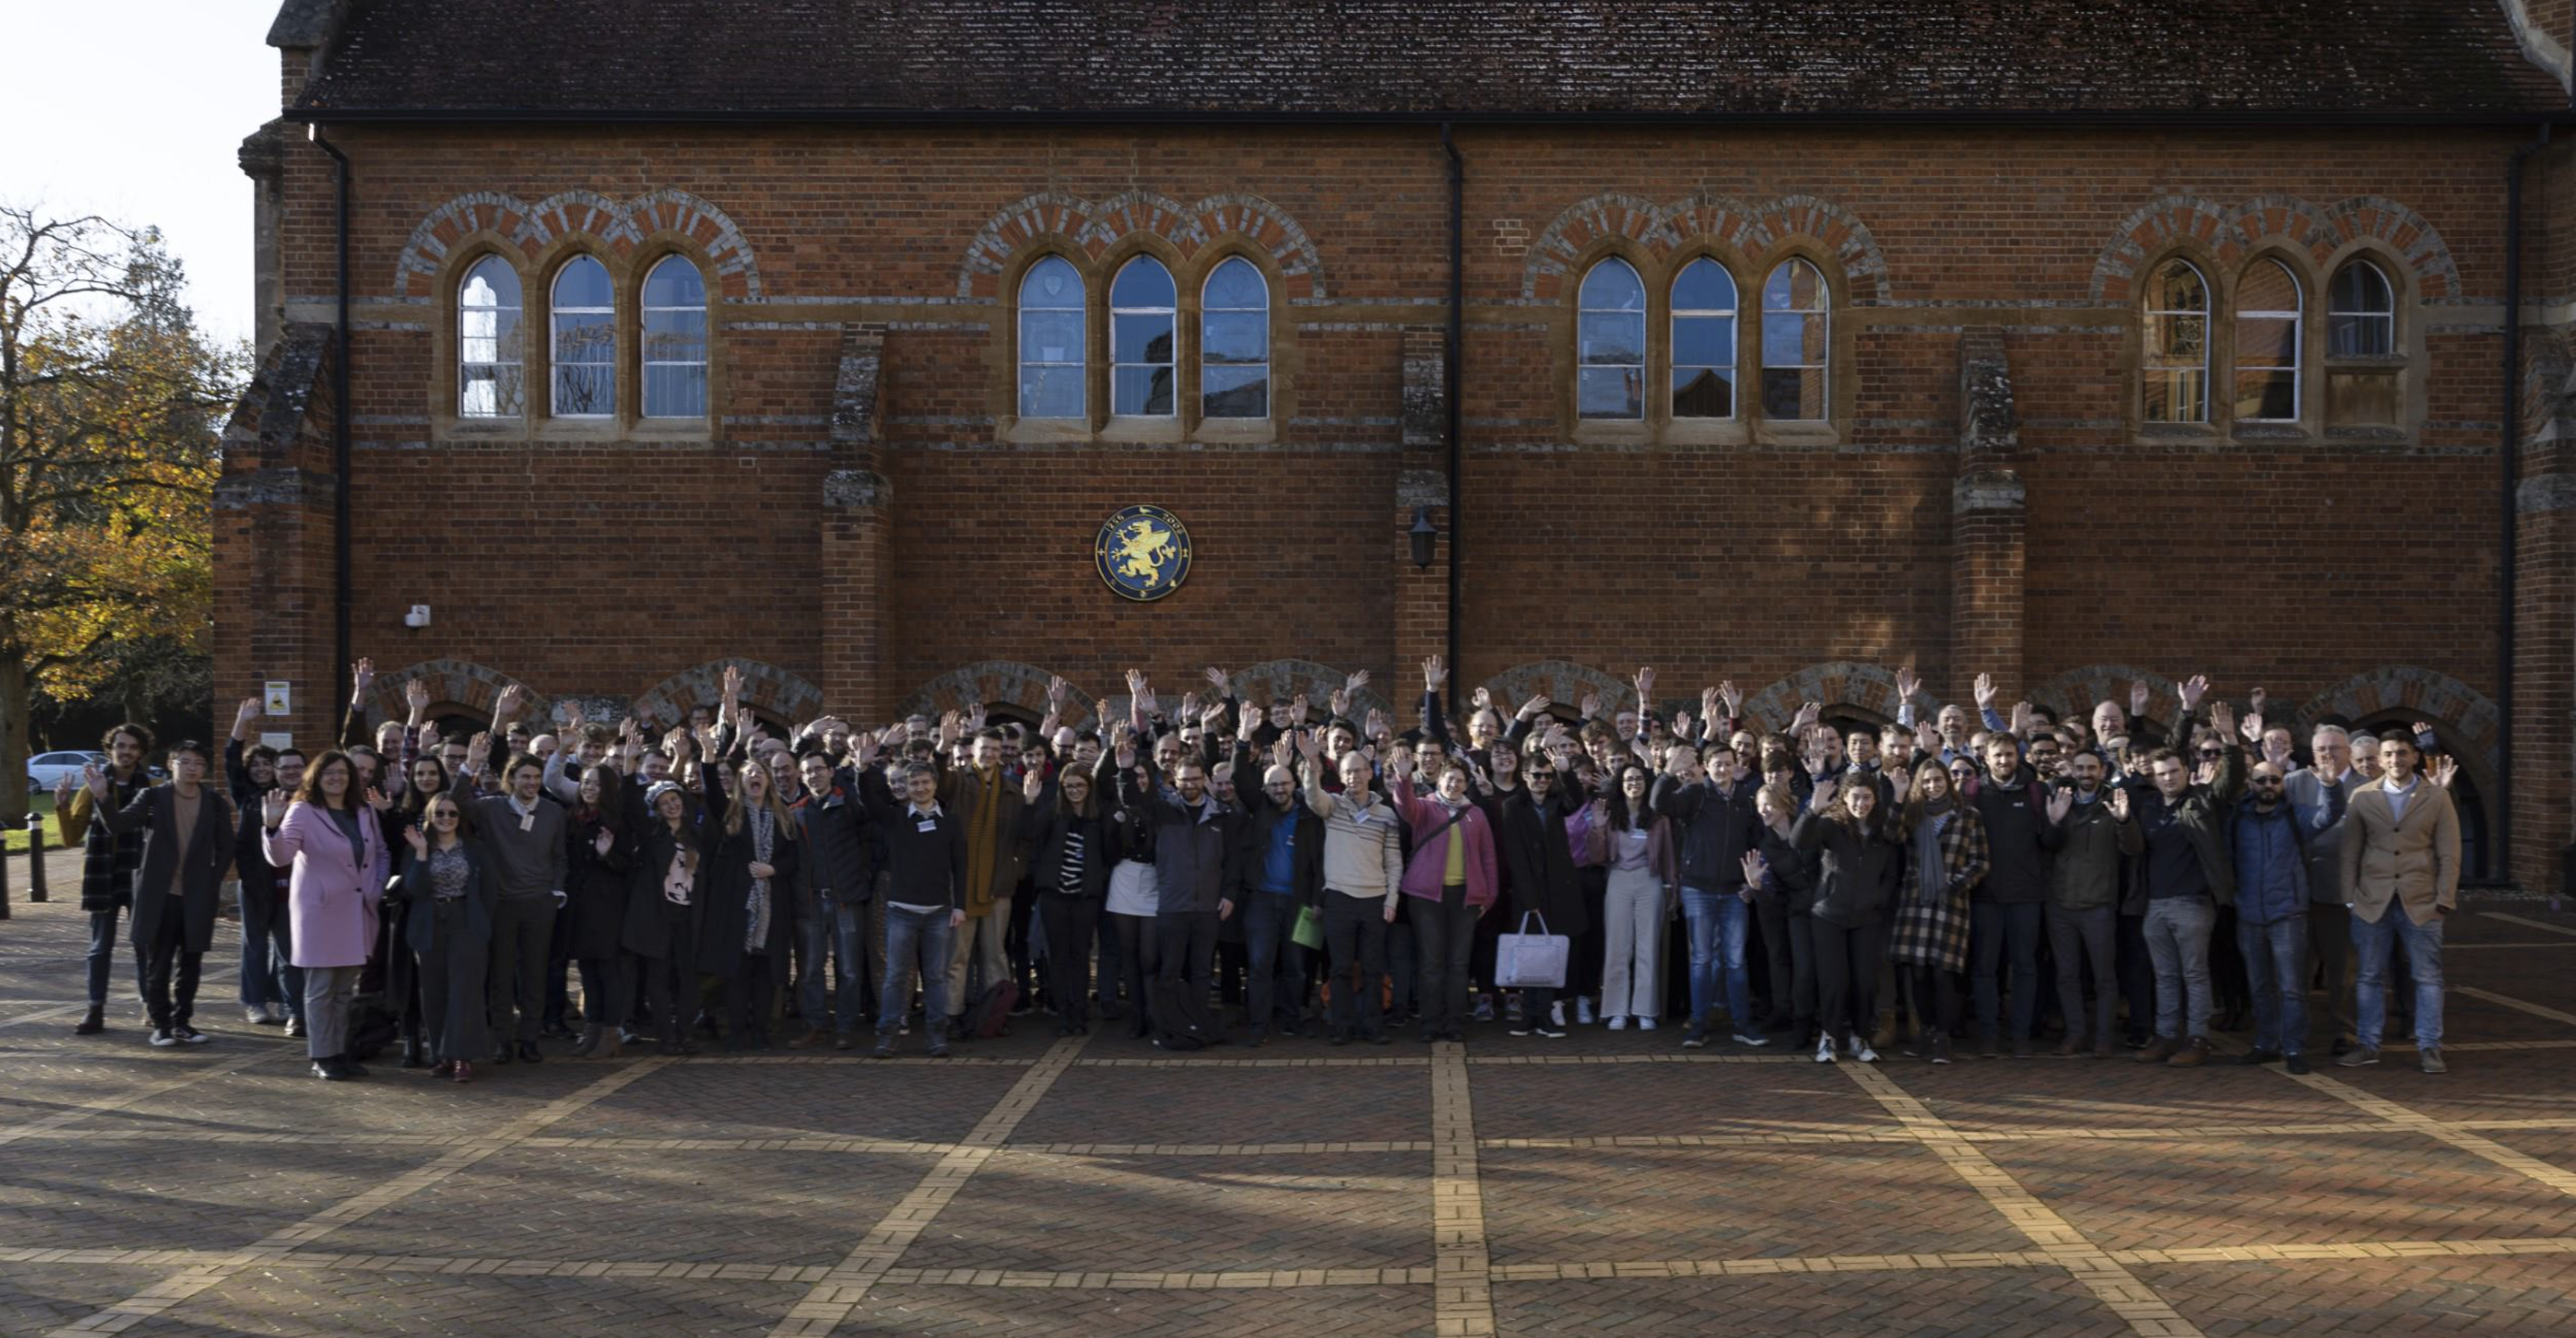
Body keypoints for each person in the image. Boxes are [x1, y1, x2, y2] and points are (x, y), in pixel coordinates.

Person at [84, 742, 237, 1047]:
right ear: (171, 764)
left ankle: (183, 1022)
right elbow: (119, 824)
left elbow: (227, 846)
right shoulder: (153, 797)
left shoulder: (214, 803)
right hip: (160, 893)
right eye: (184, 761)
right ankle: (162, 1024)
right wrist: (102, 796)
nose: (192, 768)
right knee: (159, 963)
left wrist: (212, 880)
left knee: (191, 962)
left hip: (196, 895)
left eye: (198, 763)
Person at [2122, 680, 2243, 1068]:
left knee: (2194, 974)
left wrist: (2225, 736)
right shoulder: (2149, 806)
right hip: (2155, 905)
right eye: (2162, 773)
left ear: (2186, 771)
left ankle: (2197, 1038)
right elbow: (2133, 847)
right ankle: (2166, 1035)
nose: (2169, 777)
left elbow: (2232, 779)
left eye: (2175, 771)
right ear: (2154, 778)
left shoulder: (2203, 801)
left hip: (2193, 904)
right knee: (2166, 976)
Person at [261, 750, 390, 1080]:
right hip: (320, 913)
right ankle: (322, 1055)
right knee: (321, 988)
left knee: (345, 989)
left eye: (343, 772)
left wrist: (375, 887)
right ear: (316, 777)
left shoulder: (363, 812)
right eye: (329, 772)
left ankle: (341, 1052)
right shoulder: (303, 811)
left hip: (357, 911)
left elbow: (381, 853)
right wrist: (271, 827)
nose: (337, 778)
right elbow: (281, 857)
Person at [2337, 734, 2461, 1073]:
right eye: (2389, 754)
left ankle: (2430, 1047)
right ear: (2379, 759)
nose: (2396, 760)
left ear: (2416, 757)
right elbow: (2351, 853)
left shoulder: (2436, 797)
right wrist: (2349, 899)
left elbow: (2450, 852)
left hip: (2421, 901)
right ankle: (2368, 1044)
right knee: (2368, 976)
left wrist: (2444, 899)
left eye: (2402, 753)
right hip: (2371, 901)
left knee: (2428, 977)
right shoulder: (2362, 797)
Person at [454, 742, 569, 1064]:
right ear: (511, 779)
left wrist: (557, 892)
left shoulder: (554, 812)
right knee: (501, 976)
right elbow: (456, 803)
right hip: (502, 905)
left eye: (535, 777)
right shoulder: (491, 809)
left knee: (534, 975)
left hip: (539, 905)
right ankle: (503, 1039)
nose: (531, 782)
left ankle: (530, 1038)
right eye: (524, 777)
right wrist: (469, 767)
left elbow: (560, 857)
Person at [1650, 736, 1763, 1041]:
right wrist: (1667, 772)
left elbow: (1757, 844)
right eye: (1717, 765)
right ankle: (1698, 1023)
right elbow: (1658, 803)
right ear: (1706, 767)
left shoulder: (1746, 799)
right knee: (1701, 959)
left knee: (1736, 960)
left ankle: (1742, 1024)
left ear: (1735, 765)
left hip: (1735, 892)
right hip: (1698, 889)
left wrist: (1752, 884)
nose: (1723, 769)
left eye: (1728, 764)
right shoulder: (1695, 794)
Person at [856, 758, 968, 1057]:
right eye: (913, 784)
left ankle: (936, 1036)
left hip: (939, 912)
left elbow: (961, 866)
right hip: (901, 911)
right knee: (895, 976)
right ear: (905, 787)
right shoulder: (895, 818)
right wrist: (863, 769)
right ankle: (888, 1036)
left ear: (934, 784)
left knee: (935, 977)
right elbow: (868, 799)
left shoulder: (951, 821)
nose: (920, 788)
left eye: (924, 782)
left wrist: (961, 906)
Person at [1791, 768, 1902, 1063]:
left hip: (1867, 917)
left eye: (1867, 798)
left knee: (1866, 982)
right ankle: (1828, 1038)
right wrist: (1812, 811)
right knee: (1834, 981)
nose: (1861, 804)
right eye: (1855, 797)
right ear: (1845, 798)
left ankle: (1860, 1037)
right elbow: (1798, 841)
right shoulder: (1830, 825)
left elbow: (1892, 875)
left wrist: (1879, 899)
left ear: (1875, 800)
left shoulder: (1883, 832)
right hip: (1829, 915)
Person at [1387, 752, 1498, 1044]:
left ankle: (1454, 1022)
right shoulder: (1426, 807)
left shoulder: (1476, 813)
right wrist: (1403, 778)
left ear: (1466, 785)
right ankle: (1430, 1022)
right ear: (1440, 780)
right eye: (1450, 779)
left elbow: (1488, 856)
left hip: (1465, 897)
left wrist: (1489, 896)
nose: (1454, 785)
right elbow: (1405, 808)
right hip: (1426, 898)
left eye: (1460, 781)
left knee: (1459, 964)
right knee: (1431, 963)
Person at [1302, 739, 1406, 1045]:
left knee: (1374, 968)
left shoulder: (1386, 814)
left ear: (1370, 773)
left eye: (1360, 770)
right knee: (1341, 967)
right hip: (1339, 898)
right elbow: (1312, 798)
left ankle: (1374, 1026)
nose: (1355, 777)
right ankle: (1342, 1027)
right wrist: (1311, 765)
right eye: (1349, 772)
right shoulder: (1334, 806)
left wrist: (1391, 900)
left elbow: (1394, 862)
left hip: (1374, 900)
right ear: (1343, 776)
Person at [55, 723, 156, 1037]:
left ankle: (151, 1004)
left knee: (145, 944)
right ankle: (95, 1008)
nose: (126, 752)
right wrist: (60, 805)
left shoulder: (152, 788)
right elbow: (71, 837)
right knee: (100, 947)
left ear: (141, 752)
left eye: (133, 747)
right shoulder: (92, 788)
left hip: (141, 874)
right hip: (104, 874)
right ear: (110, 750)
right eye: (120, 746)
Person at [1888, 759, 1989, 1064]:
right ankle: (1927, 1032)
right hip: (1915, 902)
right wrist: (1898, 797)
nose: (1933, 785)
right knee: (1918, 973)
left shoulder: (1968, 815)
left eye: (1938, 780)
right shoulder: (1913, 813)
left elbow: (1980, 861)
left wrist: (1954, 883)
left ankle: (1944, 1038)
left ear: (1948, 781)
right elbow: (1891, 836)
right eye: (1927, 781)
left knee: (1944, 973)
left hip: (1950, 903)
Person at [698, 756, 802, 1051]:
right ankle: (736, 1031)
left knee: (766, 974)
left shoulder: (783, 816)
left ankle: (760, 1030)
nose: (755, 776)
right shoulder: (731, 814)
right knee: (738, 973)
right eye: (748, 773)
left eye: (760, 772)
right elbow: (713, 791)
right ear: (741, 783)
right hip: (738, 906)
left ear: (768, 780)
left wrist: (774, 869)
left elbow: (793, 858)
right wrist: (708, 754)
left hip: (772, 905)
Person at [2043, 750, 2138, 1058]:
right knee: (2067, 975)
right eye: (2080, 768)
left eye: (2091, 768)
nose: (2085, 773)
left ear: (2102, 770)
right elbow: (2047, 846)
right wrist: (2055, 822)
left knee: (2104, 977)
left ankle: (2104, 1038)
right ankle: (2075, 1034)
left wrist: (2124, 821)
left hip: (2099, 905)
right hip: (2061, 904)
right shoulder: (2061, 799)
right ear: (2073, 769)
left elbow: (2133, 848)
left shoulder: (2114, 801)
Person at [1965, 730, 2054, 1057]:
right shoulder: (1973, 793)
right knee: (1985, 968)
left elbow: (2051, 844)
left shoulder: (2036, 792)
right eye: (1998, 755)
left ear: (2018, 757)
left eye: (2009, 755)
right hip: (1985, 895)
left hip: (2027, 895)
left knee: (2025, 967)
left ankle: (2020, 1036)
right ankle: (1989, 1035)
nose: (2004, 761)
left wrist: (2055, 824)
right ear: (1986, 759)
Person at [397, 791, 494, 1082]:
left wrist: (481, 922)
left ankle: (462, 1057)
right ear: (430, 816)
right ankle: (443, 1055)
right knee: (434, 992)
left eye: (452, 813)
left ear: (460, 818)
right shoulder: (416, 847)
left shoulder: (475, 849)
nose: (446, 818)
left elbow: (490, 890)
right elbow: (413, 890)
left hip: (465, 921)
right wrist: (422, 855)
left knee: (464, 990)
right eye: (440, 813)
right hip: (430, 923)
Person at [1494, 757, 1591, 1041]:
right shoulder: (1513, 806)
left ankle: (1546, 1016)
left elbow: (1577, 799)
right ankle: (1529, 1015)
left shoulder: (1557, 800)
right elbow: (1515, 853)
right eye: (1537, 776)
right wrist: (1529, 897)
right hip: (1529, 892)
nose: (1542, 781)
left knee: (1549, 955)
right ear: (1525, 776)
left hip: (1559, 890)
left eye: (1547, 776)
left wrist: (1565, 771)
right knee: (1528, 954)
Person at [941, 726, 1029, 1033]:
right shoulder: (959, 783)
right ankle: (952, 1014)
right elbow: (939, 782)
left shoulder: (1013, 791)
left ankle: (995, 1015)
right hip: (963, 885)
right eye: (984, 749)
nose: (990, 753)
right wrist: (944, 746)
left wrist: (1015, 870)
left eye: (995, 748)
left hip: (998, 885)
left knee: (995, 955)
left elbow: (1022, 839)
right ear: (975, 752)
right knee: (958, 956)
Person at [226, 700, 305, 1034]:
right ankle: (255, 1001)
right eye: (255, 764)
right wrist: (241, 722)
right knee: (255, 944)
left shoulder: (298, 798)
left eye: (267, 763)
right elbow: (231, 761)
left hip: (290, 883)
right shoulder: (248, 797)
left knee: (289, 948)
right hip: (256, 882)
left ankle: (289, 1002)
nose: (262, 769)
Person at [1230, 758, 1322, 1044]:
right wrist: (1243, 742)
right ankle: (1259, 1024)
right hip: (1262, 900)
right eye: (1273, 785)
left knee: (1296, 965)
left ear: (1295, 785)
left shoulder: (1310, 815)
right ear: (1265, 789)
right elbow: (1240, 777)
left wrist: (1318, 899)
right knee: (1260, 964)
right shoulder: (1260, 811)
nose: (1279, 789)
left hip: (1300, 901)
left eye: (1284, 783)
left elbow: (1320, 862)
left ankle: (1292, 1019)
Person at [2232, 759, 2315, 1073]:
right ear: (2251, 784)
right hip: (2250, 914)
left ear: (2283, 783)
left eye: (2274, 780)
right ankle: (2265, 1043)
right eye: (2261, 780)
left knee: (2292, 987)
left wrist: (2332, 787)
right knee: (2259, 985)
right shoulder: (2239, 817)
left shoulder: (2296, 814)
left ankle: (2294, 1048)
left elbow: (2327, 818)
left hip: (2288, 914)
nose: (2268, 786)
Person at [788, 749, 875, 1050]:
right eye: (808, 770)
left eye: (819, 769)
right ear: (802, 775)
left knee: (849, 968)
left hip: (845, 899)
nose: (814, 774)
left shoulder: (849, 805)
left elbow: (869, 821)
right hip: (811, 902)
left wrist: (861, 768)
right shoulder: (797, 812)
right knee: (810, 968)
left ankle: (845, 1026)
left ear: (830, 771)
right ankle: (815, 1025)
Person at [2284, 725, 2359, 1054]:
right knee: (2296, 968)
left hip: (2342, 891)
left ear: (2349, 752)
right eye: (2321, 750)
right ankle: (2297, 1033)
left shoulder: (2366, 787)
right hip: (2296, 892)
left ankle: (2343, 1032)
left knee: (2340, 971)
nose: (2328, 754)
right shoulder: (2293, 783)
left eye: (2335, 748)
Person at [1030, 761, 1117, 1036]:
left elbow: (1110, 853)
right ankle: (1063, 1014)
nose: (1075, 791)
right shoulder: (1052, 814)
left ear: (1089, 787)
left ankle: (1079, 1012)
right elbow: (1029, 836)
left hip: (1084, 898)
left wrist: (1095, 879)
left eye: (1080, 785)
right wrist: (1029, 801)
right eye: (1069, 786)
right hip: (1054, 897)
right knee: (1058, 957)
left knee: (1081, 956)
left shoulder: (1098, 817)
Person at [624, 779, 706, 1055]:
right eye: (664, 802)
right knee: (657, 978)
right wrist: (628, 769)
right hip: (658, 914)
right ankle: (667, 1037)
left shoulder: (696, 834)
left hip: (689, 915)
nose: (671, 805)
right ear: (657, 809)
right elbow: (633, 810)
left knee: (689, 978)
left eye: (675, 800)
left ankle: (686, 1033)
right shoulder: (653, 835)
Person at [1594, 762, 1677, 1033]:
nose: (1633, 783)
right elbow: (1596, 856)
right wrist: (1597, 829)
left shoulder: (1658, 818)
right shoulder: (1609, 814)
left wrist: (1670, 890)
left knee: (1647, 946)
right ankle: (1616, 1010)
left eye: (1638, 779)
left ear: (1646, 783)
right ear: (1621, 784)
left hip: (1648, 881)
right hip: (1618, 879)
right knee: (1618, 947)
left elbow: (1667, 859)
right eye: (1628, 779)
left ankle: (1644, 1010)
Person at [563, 763, 635, 1058]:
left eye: (595, 783)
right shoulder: (574, 818)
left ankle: (610, 1033)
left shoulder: (616, 821)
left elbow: (628, 864)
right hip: (580, 902)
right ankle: (591, 1030)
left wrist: (607, 856)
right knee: (587, 969)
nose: (588, 788)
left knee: (608, 969)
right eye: (584, 782)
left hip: (607, 905)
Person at [1748, 780, 1817, 1048]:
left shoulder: (1808, 828)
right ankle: (1797, 1020)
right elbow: (1774, 897)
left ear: (1784, 805)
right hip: (1795, 912)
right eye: (1759, 806)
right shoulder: (1767, 846)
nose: (1763, 811)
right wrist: (1756, 888)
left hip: (1824, 907)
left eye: (1768, 805)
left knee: (1816, 969)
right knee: (1797, 966)